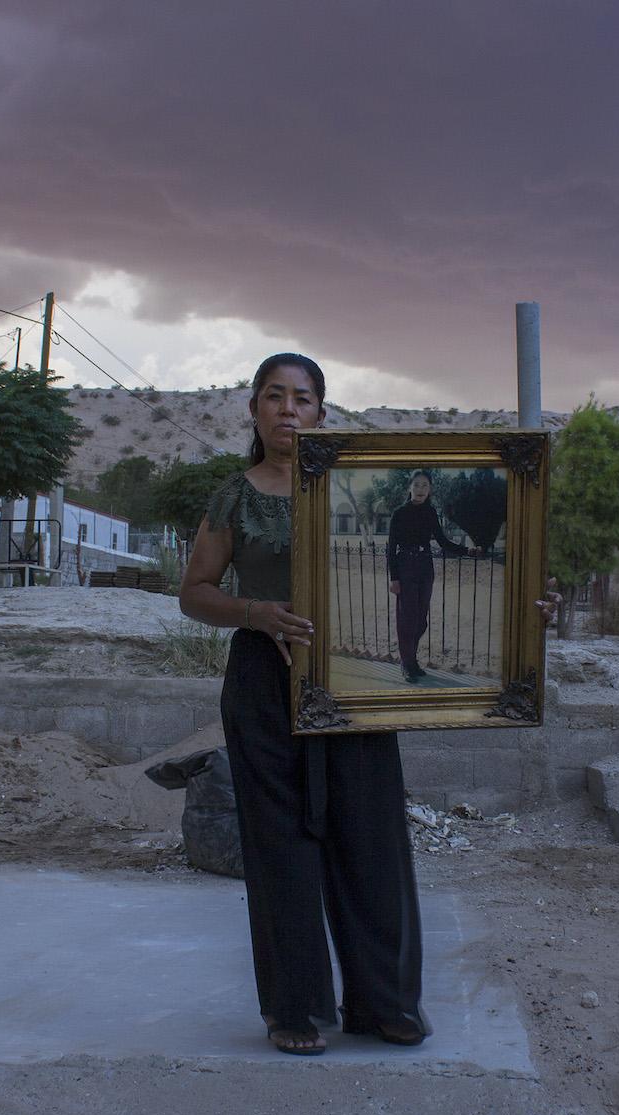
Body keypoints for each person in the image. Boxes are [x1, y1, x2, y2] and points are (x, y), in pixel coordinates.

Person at [178, 353, 429, 1056]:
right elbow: (194, 591)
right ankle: (294, 1010)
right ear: (255, 409)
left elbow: (418, 561)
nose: (290, 409)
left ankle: (385, 1004)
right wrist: (257, 612)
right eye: (276, 396)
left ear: (323, 412)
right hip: (264, 683)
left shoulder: (362, 493)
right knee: (282, 847)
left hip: (354, 683)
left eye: (305, 399)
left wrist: (519, 606)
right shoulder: (236, 495)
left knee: (371, 839)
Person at [386, 471, 474, 683]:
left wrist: (466, 551)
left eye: (425, 485)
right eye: (417, 485)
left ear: (430, 489)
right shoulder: (399, 513)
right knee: (407, 620)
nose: (420, 489)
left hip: (425, 568)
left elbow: (443, 541)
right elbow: (391, 549)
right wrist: (394, 578)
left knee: (420, 620)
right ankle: (407, 664)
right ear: (410, 488)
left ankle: (411, 659)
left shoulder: (431, 512)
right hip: (405, 566)